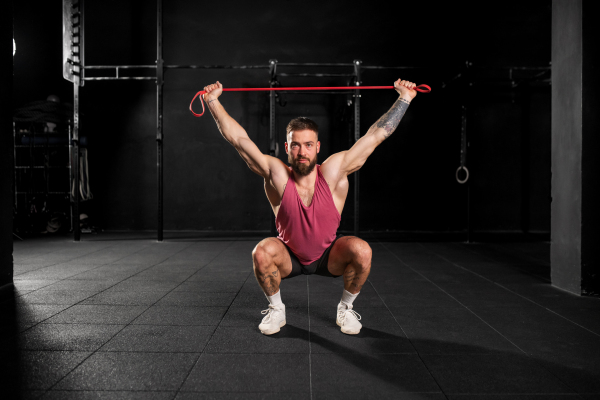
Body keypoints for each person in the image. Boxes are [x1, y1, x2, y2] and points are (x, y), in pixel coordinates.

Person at [203, 79, 418, 335]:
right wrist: (213, 101)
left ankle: (346, 308)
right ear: (287, 148)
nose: (301, 151)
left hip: (329, 256)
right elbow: (239, 139)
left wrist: (404, 98)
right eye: (295, 145)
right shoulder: (277, 175)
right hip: (289, 256)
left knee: (362, 251)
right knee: (261, 252)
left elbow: (375, 136)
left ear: (317, 147)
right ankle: (277, 309)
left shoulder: (334, 172)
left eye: (307, 145)